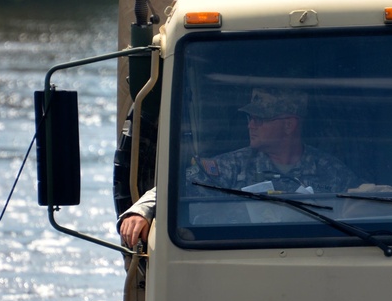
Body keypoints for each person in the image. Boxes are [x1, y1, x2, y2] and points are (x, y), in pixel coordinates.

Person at [118, 88, 359, 248]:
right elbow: (177, 188)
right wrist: (142, 210)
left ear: (289, 125)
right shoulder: (233, 165)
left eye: (260, 119)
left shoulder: (331, 170)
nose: (251, 125)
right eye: (249, 118)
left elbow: (363, 203)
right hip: (243, 258)